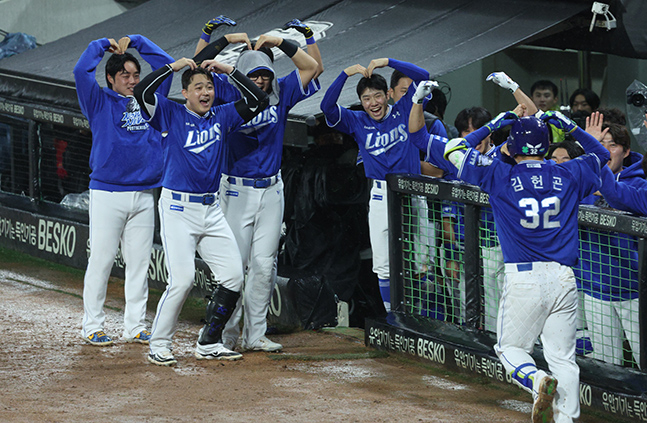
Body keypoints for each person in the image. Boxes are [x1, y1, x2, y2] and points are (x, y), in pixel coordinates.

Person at [442, 107, 609, 423]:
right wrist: (572, 128)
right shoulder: (569, 171)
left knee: (509, 350)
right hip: (563, 278)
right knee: (563, 359)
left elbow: (453, 149)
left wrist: (493, 125)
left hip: (525, 278)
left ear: (512, 147)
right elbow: (601, 153)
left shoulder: (498, 174)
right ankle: (566, 420)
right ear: (546, 146)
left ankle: (536, 381)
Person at [133, 54, 269, 365]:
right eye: (197, 87)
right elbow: (141, 92)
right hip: (178, 209)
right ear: (185, 93)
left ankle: (209, 341)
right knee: (181, 280)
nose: (205, 92)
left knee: (234, 277)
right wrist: (172, 67)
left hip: (211, 209)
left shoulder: (222, 115)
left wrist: (230, 71)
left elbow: (259, 100)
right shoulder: (169, 113)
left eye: (208, 87)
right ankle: (159, 343)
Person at [194, 20, 320, 353]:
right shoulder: (227, 90)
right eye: (255, 75)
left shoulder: (282, 90)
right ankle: (226, 333)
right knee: (235, 265)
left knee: (265, 264)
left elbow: (312, 66)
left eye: (265, 74)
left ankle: (256, 333)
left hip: (272, 190)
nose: (261, 80)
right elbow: (196, 72)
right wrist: (217, 38)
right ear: (242, 75)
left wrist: (282, 42)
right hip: (236, 189)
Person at [73, 34, 174, 346]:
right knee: (101, 261)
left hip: (145, 193)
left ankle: (135, 325)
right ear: (110, 78)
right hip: (107, 194)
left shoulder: (150, 98)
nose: (132, 80)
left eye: (135, 75)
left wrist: (139, 42)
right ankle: (92, 325)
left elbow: (166, 66)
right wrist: (103, 45)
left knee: (140, 264)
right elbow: (80, 72)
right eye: (124, 76)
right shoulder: (98, 100)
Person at [320, 57, 431, 312]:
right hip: (381, 194)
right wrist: (344, 74)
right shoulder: (357, 120)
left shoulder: (405, 109)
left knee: (422, 260)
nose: (373, 103)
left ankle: (424, 319)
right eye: (367, 99)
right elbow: (327, 107)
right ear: (360, 102)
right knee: (383, 264)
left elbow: (423, 74)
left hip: (414, 191)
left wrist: (388, 62)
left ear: (388, 95)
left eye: (377, 96)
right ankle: (394, 321)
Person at [575, 118, 646, 368]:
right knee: (605, 365)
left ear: (626, 151)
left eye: (611, 145)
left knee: (644, 359)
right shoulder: (582, 181)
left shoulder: (639, 184)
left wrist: (593, 153)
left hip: (634, 291)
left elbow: (616, 195)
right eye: (600, 144)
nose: (605, 151)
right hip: (595, 288)